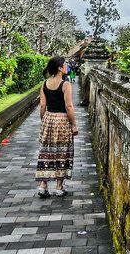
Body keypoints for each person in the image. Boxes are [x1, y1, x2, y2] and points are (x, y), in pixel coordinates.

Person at [35, 56, 77, 198]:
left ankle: (43, 185)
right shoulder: (65, 85)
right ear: (59, 68)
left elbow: (42, 105)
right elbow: (69, 106)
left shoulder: (45, 84)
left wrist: (44, 120)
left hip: (48, 118)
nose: (67, 66)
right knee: (62, 152)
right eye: (64, 64)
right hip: (62, 120)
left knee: (46, 151)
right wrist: (74, 124)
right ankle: (59, 187)